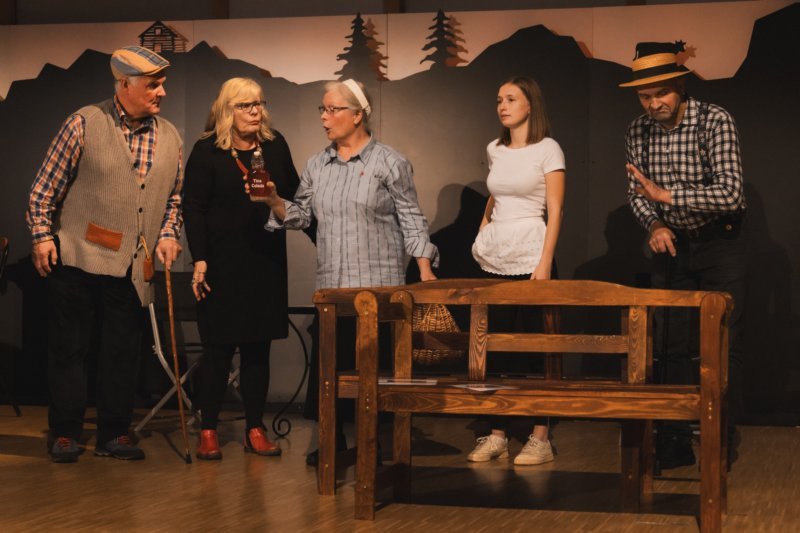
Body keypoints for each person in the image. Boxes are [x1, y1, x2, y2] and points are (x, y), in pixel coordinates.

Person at [258, 78, 439, 464]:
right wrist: (274, 201)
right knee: (332, 368)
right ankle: (333, 440)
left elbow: (411, 218)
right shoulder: (317, 165)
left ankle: (375, 443)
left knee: (373, 370)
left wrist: (424, 268)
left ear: (358, 115)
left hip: (377, 288)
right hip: (333, 287)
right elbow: (302, 215)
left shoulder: (388, 163)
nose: (324, 118)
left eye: (332, 109)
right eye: (321, 110)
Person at [26, 46, 183, 462]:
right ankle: (65, 432)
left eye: (162, 84)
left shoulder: (170, 136)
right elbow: (43, 189)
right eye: (154, 84)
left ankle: (114, 433)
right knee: (70, 349)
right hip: (78, 256)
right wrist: (42, 237)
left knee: (122, 352)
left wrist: (168, 234)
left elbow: (174, 199)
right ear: (125, 85)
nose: (162, 92)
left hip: (131, 262)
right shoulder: (84, 123)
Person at [621, 43, 747, 469]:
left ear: (679, 87)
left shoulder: (714, 120)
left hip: (720, 242)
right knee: (670, 344)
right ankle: (674, 441)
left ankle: (719, 440)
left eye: (661, 93)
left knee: (722, 342)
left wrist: (668, 196)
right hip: (673, 243)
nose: (653, 104)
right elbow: (637, 195)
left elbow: (731, 193)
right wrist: (655, 224)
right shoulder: (637, 131)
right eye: (645, 96)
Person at [182, 78, 300, 460]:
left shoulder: (275, 146)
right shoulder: (207, 151)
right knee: (218, 351)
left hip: (265, 261)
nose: (255, 111)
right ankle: (209, 429)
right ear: (226, 110)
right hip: (220, 264)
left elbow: (296, 197)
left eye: (259, 104)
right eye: (245, 105)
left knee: (258, 350)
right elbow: (193, 208)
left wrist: (277, 201)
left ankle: (254, 428)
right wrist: (200, 258)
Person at [468, 76, 565, 466]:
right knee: (494, 346)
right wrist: (483, 229)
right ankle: (497, 433)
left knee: (538, 347)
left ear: (530, 105)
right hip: (498, 257)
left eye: (510, 99)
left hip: (532, 254)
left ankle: (540, 437)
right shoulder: (495, 149)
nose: (502, 106)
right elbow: (497, 193)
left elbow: (555, 209)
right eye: (499, 99)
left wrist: (544, 262)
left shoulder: (548, 148)